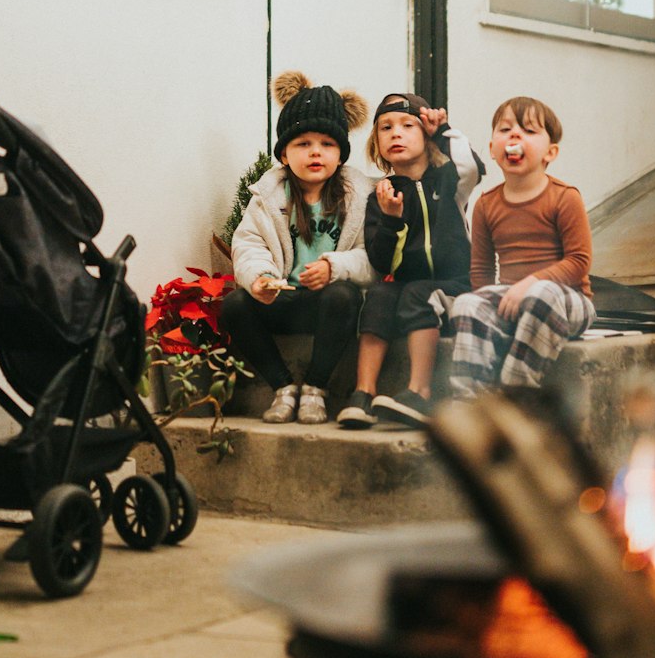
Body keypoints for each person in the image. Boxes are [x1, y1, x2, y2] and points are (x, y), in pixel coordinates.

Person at [220, 71, 373, 425]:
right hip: (282, 299)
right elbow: (248, 243)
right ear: (285, 155)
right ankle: (284, 388)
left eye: (327, 144)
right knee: (234, 304)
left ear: (340, 155)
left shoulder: (360, 197)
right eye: (303, 144)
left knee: (344, 296)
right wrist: (260, 278)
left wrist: (335, 267)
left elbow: (371, 258)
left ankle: (315, 389)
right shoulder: (268, 197)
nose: (315, 152)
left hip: (328, 305)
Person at [337, 92, 484, 430]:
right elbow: (383, 262)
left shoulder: (449, 181)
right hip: (407, 289)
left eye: (407, 125)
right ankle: (364, 393)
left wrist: (443, 130)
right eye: (385, 128)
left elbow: (473, 166)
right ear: (377, 143)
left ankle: (419, 391)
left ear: (426, 135)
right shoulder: (383, 193)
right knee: (379, 295)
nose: (396, 133)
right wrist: (391, 219)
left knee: (418, 293)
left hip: (457, 287)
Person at [448, 95, 595, 399]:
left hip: (566, 301)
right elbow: (482, 270)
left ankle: (517, 392)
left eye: (528, 131)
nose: (514, 136)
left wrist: (530, 283)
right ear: (492, 149)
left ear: (550, 153)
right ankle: (472, 401)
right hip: (514, 300)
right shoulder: (487, 204)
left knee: (541, 294)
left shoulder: (564, 197)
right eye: (505, 130)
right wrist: (489, 310)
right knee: (467, 303)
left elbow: (579, 261)